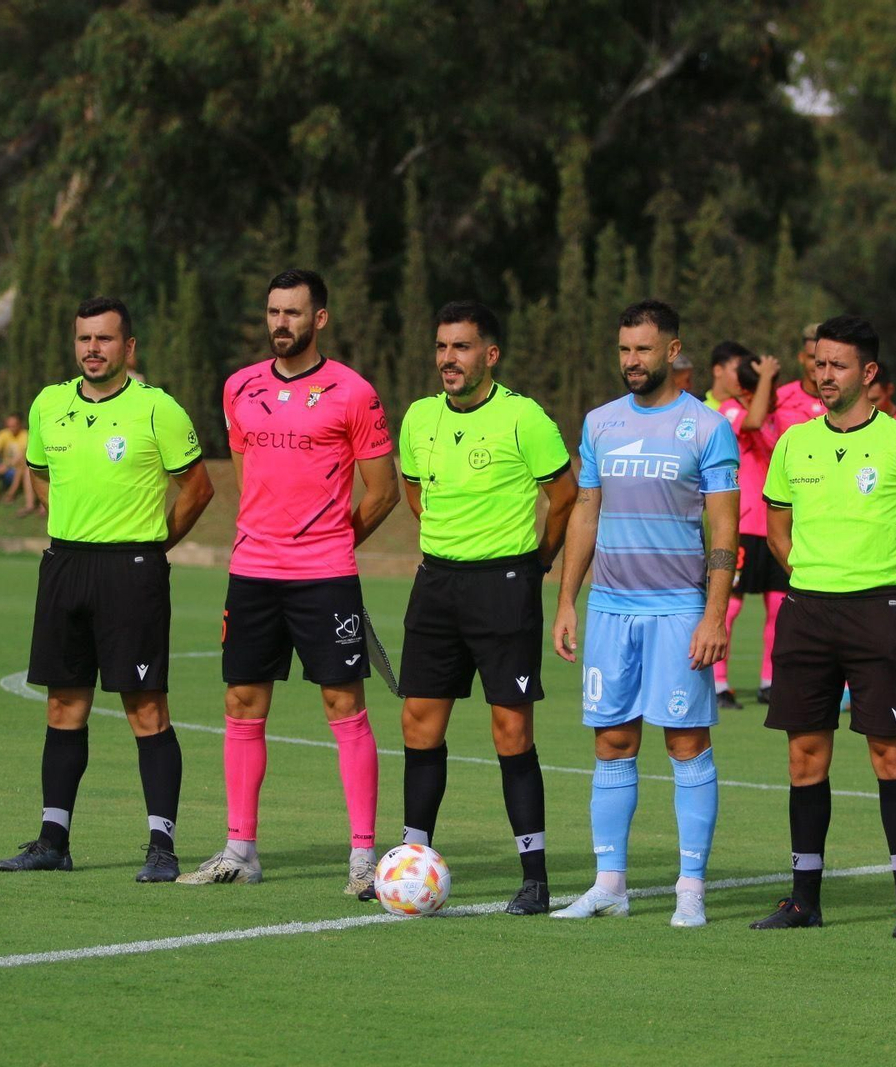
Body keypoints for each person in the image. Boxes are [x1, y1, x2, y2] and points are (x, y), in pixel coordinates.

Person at [180, 269, 400, 894]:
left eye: (294, 313)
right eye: (274, 312)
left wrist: (328, 542)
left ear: (320, 319)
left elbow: (382, 492)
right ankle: (240, 850)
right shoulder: (239, 387)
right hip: (252, 571)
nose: (281, 323)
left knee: (344, 705)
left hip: (325, 576)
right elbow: (252, 477)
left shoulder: (353, 392)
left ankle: (362, 858)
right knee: (242, 705)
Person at [0, 296, 214, 882]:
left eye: (105, 339)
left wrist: (155, 545)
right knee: (64, 705)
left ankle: (161, 847)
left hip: (131, 571)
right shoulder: (48, 406)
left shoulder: (156, 409)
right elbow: (39, 475)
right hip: (65, 566)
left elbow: (198, 487)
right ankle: (53, 840)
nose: (93, 349)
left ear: (128, 347)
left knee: (145, 708)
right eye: (85, 339)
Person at [748, 314, 896, 940]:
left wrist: (894, 579)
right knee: (804, 756)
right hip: (807, 612)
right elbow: (777, 528)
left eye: (837, 365)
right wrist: (809, 574)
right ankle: (804, 900)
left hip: (876, 613)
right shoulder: (794, 442)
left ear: (867, 373)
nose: (823, 374)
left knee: (890, 755)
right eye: (818, 363)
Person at [551, 300, 739, 929]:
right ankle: (610, 884)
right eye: (624, 349)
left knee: (686, 743)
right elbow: (585, 510)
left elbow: (724, 526)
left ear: (671, 350)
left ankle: (691, 887)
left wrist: (714, 615)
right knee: (612, 740)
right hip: (609, 610)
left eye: (643, 350)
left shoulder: (707, 426)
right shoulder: (600, 423)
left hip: (679, 609)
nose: (632, 361)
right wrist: (567, 600)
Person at [396, 301, 577, 915]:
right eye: (443, 347)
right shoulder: (419, 418)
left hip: (504, 588)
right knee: (419, 722)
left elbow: (564, 492)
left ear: (489, 355)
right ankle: (412, 858)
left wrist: (536, 564)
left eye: (462, 347)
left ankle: (534, 877)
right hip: (436, 585)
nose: (449, 359)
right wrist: (446, 539)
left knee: (511, 731)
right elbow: (413, 489)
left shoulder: (523, 417)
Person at [707, 342, 788, 709]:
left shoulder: (777, 419)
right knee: (732, 605)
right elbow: (752, 421)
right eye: (762, 386)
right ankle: (718, 683)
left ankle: (771, 682)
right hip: (743, 524)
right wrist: (766, 379)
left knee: (778, 605)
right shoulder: (730, 411)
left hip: (775, 526)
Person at [774, 323, 827, 429]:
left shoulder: (842, 399)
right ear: (801, 357)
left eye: (823, 359)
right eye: (812, 357)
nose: (817, 364)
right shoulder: (780, 397)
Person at [0, 413, 29, 506]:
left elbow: (23, 456)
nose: (11, 428)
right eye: (9, 426)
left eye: (14, 425)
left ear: (19, 424)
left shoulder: (25, 435)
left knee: (21, 465)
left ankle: (11, 494)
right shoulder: (3, 434)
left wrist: (7, 465)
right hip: (5, 465)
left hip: (18, 467)